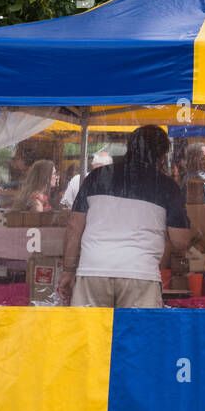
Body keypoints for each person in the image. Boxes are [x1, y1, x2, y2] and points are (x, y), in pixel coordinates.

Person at [58, 125, 191, 308]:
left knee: (92, 335)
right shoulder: (166, 186)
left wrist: (68, 271)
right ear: (162, 155)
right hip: (140, 274)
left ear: (130, 147)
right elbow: (180, 241)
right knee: (137, 336)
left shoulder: (97, 176)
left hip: (93, 270)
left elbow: (74, 226)